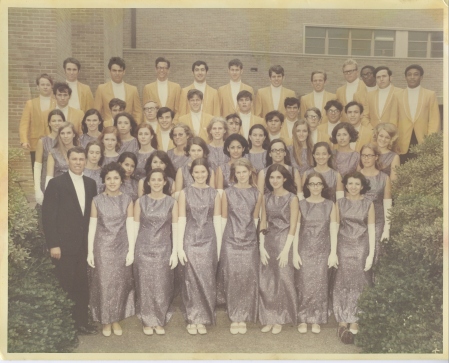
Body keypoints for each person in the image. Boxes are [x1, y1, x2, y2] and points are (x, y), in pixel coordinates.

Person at [42, 146, 98, 336]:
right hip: (63, 247)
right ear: (68, 160)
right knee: (65, 285)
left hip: (83, 246)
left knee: (82, 286)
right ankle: (64, 326)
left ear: (86, 161)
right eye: (74, 159)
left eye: (81, 159)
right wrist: (53, 244)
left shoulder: (91, 184)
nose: (78, 162)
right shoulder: (56, 184)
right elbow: (48, 217)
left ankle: (81, 323)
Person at [87, 162, 135, 337]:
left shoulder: (128, 199)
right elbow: (92, 226)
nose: (112, 181)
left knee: (119, 284)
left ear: (121, 180)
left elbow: (130, 226)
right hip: (102, 248)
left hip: (121, 247)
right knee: (104, 284)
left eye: (116, 178)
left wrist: (131, 250)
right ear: (104, 180)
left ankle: (116, 319)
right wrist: (90, 251)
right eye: (109, 178)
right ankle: (106, 321)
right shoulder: (97, 200)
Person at [217, 158, 262, 334]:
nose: (241, 175)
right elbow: (222, 218)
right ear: (234, 174)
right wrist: (221, 244)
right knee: (233, 277)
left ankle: (243, 315)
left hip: (249, 240)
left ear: (250, 172)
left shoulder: (257, 193)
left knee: (247, 277)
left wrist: (254, 239)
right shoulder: (227, 193)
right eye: (238, 172)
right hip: (230, 239)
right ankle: (234, 315)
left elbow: (256, 219)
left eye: (244, 172)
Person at [177, 158, 221, 335]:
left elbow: (217, 219)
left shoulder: (214, 194)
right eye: (197, 172)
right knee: (191, 278)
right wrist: (180, 246)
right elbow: (181, 219)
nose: (200, 175)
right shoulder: (184, 193)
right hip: (190, 238)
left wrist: (217, 247)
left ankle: (202, 317)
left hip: (209, 239)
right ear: (192, 173)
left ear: (208, 173)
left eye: (203, 172)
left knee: (206, 278)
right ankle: (192, 317)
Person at [134, 168, 178, 335]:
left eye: (160, 179)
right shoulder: (140, 202)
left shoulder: (172, 202)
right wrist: (132, 251)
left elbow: (175, 227)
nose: (157, 183)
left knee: (161, 284)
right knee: (145, 284)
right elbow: (135, 227)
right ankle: (147, 320)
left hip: (163, 248)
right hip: (143, 247)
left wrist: (175, 251)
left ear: (165, 182)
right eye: (153, 179)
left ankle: (158, 319)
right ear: (148, 182)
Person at [334, 172, 375, 343]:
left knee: (359, 280)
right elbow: (335, 227)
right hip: (343, 245)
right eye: (350, 183)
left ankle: (356, 318)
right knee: (343, 280)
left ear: (362, 185)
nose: (353, 187)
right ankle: (342, 319)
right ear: (345, 185)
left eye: (357, 184)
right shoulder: (339, 203)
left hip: (361, 246)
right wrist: (333, 251)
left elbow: (371, 229)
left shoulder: (368, 204)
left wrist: (371, 253)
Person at [258, 164, 299, 334]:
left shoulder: (292, 198)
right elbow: (263, 221)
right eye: (272, 177)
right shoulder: (266, 198)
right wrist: (261, 245)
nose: (274, 181)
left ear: (285, 179)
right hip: (269, 240)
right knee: (268, 279)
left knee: (283, 279)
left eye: (278, 177)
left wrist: (286, 249)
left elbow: (293, 225)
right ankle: (269, 317)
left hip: (284, 241)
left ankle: (280, 318)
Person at [295, 172, 337, 334]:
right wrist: (295, 253)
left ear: (323, 186)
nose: (315, 187)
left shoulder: (330, 204)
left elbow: (333, 229)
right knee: (304, 283)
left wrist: (333, 252)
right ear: (307, 186)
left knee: (320, 283)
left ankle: (317, 318)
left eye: (318, 184)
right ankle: (303, 317)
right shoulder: (301, 204)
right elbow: (297, 228)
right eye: (312, 184)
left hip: (322, 249)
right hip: (304, 248)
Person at [396, 64, 441, 164]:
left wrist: (429, 142)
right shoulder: (398, 95)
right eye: (409, 74)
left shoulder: (430, 94)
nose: (412, 77)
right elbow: (395, 119)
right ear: (405, 77)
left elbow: (434, 120)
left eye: (416, 74)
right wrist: (395, 141)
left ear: (421, 77)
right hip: (403, 141)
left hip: (422, 140)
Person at [359, 144, 392, 264]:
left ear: (376, 157)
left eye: (369, 155)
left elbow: (388, 204)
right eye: (363, 155)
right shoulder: (355, 176)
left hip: (378, 221)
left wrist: (387, 228)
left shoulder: (384, 178)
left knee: (376, 252)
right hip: (359, 222)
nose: (366, 158)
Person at [20, 73, 56, 170]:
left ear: (51, 86)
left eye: (48, 85)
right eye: (42, 84)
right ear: (37, 87)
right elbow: (24, 123)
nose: (45, 87)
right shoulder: (30, 104)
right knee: (37, 170)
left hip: (53, 143)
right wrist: (24, 140)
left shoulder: (56, 103)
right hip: (36, 143)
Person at [94, 56, 142, 123]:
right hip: (109, 129)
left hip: (127, 128)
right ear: (109, 71)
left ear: (124, 72)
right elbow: (97, 112)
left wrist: (134, 127)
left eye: (120, 71)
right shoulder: (101, 89)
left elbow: (138, 112)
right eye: (114, 70)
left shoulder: (133, 90)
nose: (117, 73)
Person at [34, 110, 64, 205]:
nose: (57, 123)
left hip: (64, 181)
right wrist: (37, 189)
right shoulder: (43, 141)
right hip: (46, 181)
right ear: (49, 123)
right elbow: (37, 166)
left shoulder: (68, 140)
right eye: (54, 121)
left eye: (59, 120)